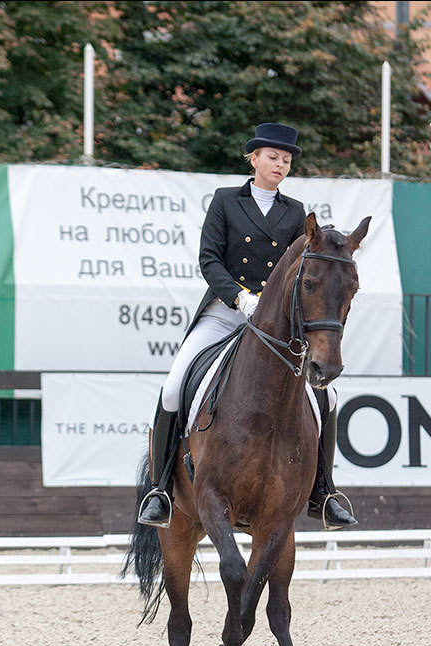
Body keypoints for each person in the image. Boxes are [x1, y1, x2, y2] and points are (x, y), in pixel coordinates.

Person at [139, 122, 357, 530]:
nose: (280, 164)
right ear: (254, 158)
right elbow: (209, 260)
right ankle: (161, 489)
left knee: (326, 399)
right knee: (173, 387)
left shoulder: (295, 212)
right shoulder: (225, 201)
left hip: (274, 322)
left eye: (287, 160)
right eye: (273, 157)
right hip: (226, 311)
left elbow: (301, 268)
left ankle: (324, 492)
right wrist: (240, 297)